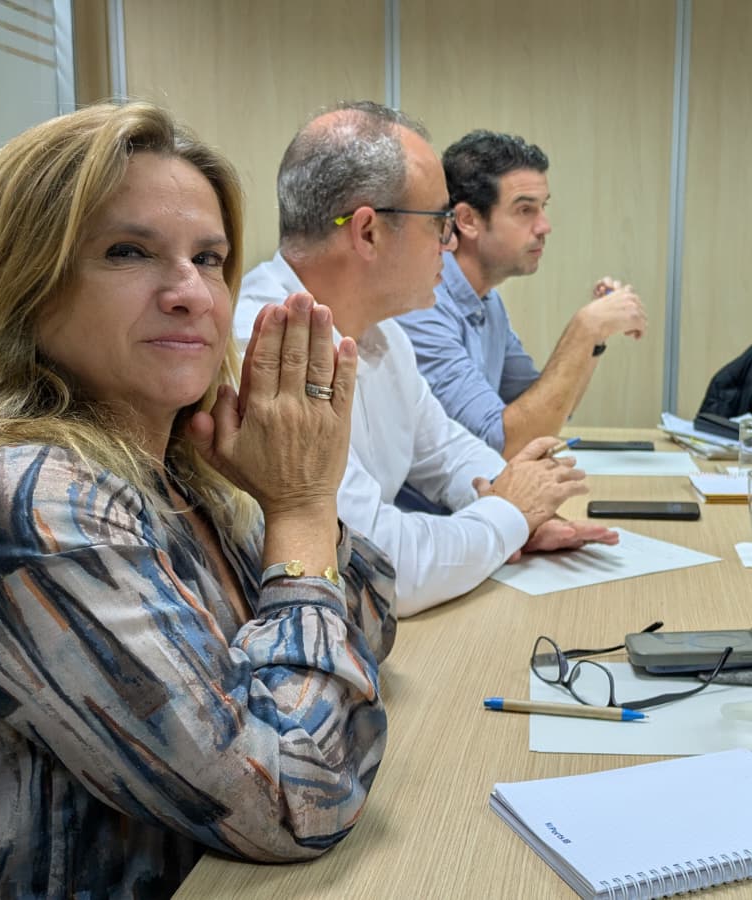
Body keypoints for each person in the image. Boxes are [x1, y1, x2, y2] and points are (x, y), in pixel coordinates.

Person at [0, 102, 396, 899]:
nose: (192, 293)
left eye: (210, 258)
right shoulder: (28, 504)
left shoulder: (173, 468)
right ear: (24, 288)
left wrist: (281, 497)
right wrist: (303, 505)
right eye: (127, 252)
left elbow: (373, 621)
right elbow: (297, 798)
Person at [234, 103, 615, 616]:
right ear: (366, 231)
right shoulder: (266, 345)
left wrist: (516, 504)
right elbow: (380, 566)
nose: (451, 241)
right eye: (439, 220)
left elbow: (443, 450)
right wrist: (508, 515)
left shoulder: (382, 330)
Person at [394, 130, 648, 456]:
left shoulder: (488, 300)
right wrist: (583, 330)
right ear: (468, 220)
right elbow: (504, 442)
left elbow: (547, 411)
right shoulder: (422, 304)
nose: (544, 226)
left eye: (543, 208)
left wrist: (595, 340)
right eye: (525, 210)